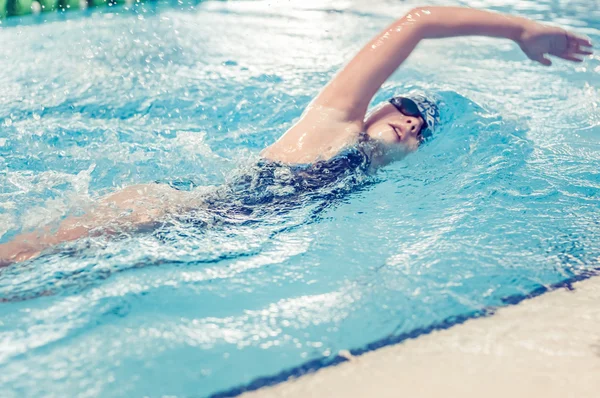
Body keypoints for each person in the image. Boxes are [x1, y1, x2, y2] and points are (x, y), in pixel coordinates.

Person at [0, 6, 593, 267]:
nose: (413, 121)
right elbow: (420, 19)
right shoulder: (333, 123)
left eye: (421, 129)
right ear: (377, 105)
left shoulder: (362, 181)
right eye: (407, 105)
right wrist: (519, 29)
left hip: (192, 244)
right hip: (162, 214)